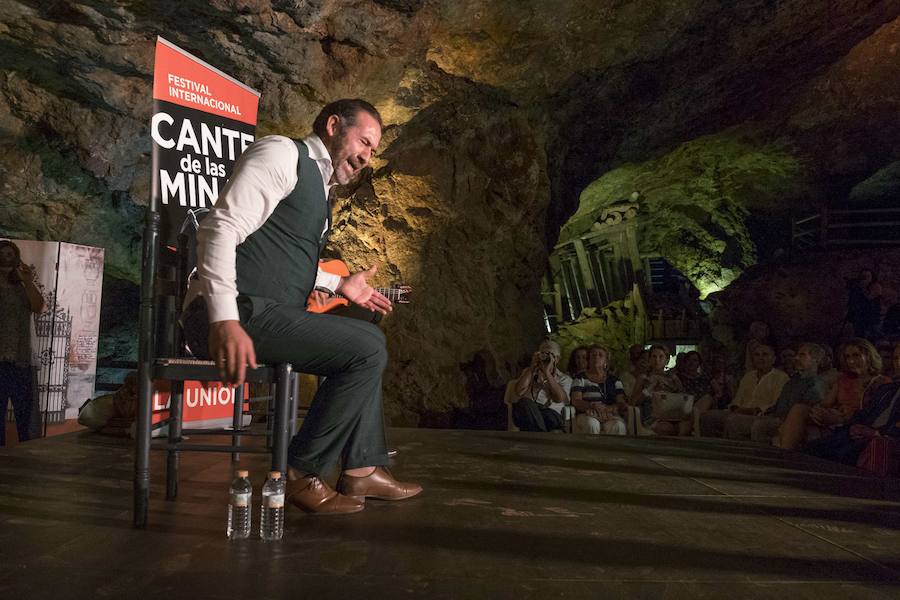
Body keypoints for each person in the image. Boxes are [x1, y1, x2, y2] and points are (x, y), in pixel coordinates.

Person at [186, 99, 420, 515]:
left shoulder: (321, 187)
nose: (367, 156)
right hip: (230, 313)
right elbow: (219, 227)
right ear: (333, 126)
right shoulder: (281, 153)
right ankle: (297, 473)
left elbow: (280, 260)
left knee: (366, 332)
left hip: (265, 312)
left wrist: (339, 284)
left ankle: (362, 469)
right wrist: (223, 318)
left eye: (373, 150)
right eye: (363, 141)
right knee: (366, 347)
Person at [775, 338, 889, 450]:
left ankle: (784, 454)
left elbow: (875, 415)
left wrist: (842, 418)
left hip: (853, 423)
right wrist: (820, 412)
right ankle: (785, 454)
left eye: (856, 355)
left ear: (869, 356)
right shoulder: (843, 380)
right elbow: (826, 403)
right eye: (847, 357)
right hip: (834, 418)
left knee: (797, 425)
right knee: (798, 410)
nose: (851, 361)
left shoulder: (882, 382)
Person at [0, 240, 45, 446]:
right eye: (4, 253)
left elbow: (37, 306)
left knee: (24, 412)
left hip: (20, 357)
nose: (7, 257)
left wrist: (27, 281)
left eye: (11, 254)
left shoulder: (21, 282)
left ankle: (26, 450)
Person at [699, 343, 789, 439]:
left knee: (733, 421)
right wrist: (736, 408)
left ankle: (732, 452)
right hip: (739, 411)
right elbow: (737, 399)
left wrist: (752, 411)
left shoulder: (781, 377)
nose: (760, 358)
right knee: (708, 416)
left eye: (765, 354)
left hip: (760, 415)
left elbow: (776, 404)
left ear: (773, 358)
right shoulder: (748, 376)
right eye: (757, 355)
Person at [803, 380, 900, 468]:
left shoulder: (882, 382)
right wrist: (847, 423)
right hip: (859, 433)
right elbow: (863, 414)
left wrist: (875, 433)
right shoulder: (887, 388)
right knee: (810, 450)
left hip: (881, 439)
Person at [753, 343, 826, 444]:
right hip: (775, 416)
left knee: (759, 426)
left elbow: (805, 410)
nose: (796, 358)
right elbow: (779, 403)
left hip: (788, 422)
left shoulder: (816, 384)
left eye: (802, 355)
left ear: (815, 359)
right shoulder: (793, 380)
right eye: (797, 355)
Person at [511, 340, 572, 432]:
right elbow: (519, 391)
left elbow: (559, 398)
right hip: (529, 410)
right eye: (543, 353)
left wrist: (547, 373)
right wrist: (532, 366)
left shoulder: (564, 379)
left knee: (538, 417)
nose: (546, 357)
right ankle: (541, 436)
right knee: (524, 403)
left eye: (550, 354)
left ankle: (538, 436)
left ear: (557, 359)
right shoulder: (529, 372)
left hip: (551, 415)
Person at [571, 345, 626, 435]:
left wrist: (609, 409)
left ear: (606, 361)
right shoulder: (580, 378)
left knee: (618, 425)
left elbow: (621, 402)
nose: (596, 357)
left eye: (600, 355)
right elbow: (576, 401)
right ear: (588, 360)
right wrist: (592, 406)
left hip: (609, 413)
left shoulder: (614, 380)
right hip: (587, 413)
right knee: (591, 424)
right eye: (593, 355)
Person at [629, 344, 683, 435]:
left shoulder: (673, 378)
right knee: (668, 428)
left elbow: (683, 398)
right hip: (652, 416)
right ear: (649, 360)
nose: (657, 360)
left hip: (672, 415)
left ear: (666, 360)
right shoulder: (643, 378)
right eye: (654, 357)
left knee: (685, 426)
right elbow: (633, 402)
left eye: (661, 357)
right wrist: (649, 388)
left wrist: (672, 387)